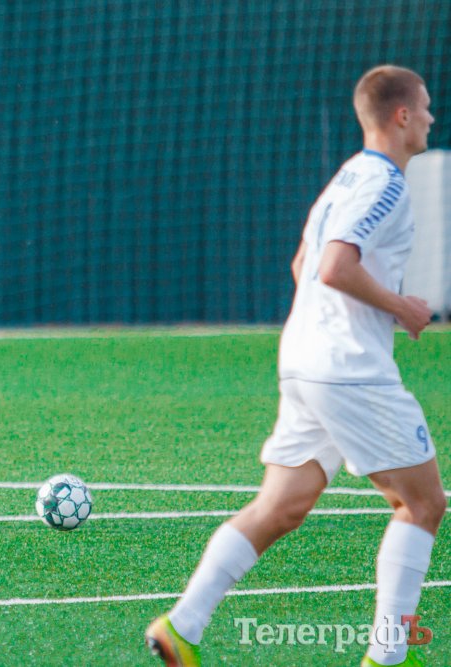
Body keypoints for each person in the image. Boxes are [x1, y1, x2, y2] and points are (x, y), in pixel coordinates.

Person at [146, 65, 442, 667]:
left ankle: (181, 626)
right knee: (423, 504)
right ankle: (388, 656)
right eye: (426, 107)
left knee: (280, 507)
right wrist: (401, 307)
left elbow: (302, 264)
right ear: (402, 115)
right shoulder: (384, 183)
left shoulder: (342, 180)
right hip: (349, 369)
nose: (433, 118)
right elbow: (332, 267)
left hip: (304, 359)